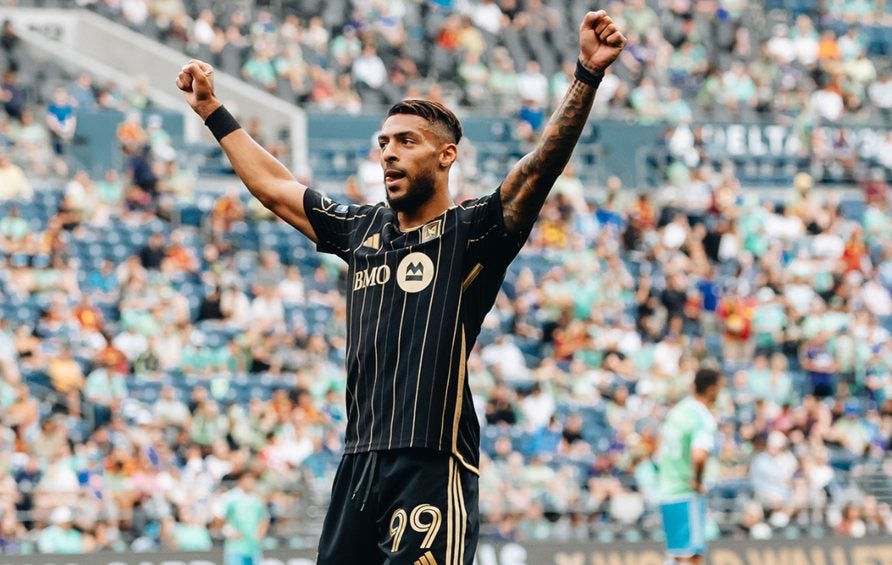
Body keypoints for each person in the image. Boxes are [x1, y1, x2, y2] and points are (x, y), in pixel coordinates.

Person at [176, 11, 624, 563]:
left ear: (446, 155)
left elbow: (539, 168)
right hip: (359, 462)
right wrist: (212, 113)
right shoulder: (360, 229)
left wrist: (585, 75)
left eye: (406, 141)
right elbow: (274, 187)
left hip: (431, 464)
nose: (388, 152)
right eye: (383, 142)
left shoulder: (471, 233)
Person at [655, 367, 723, 564]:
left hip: (667, 489)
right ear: (711, 389)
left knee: (677, 553)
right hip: (686, 491)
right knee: (691, 556)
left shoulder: (678, 411)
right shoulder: (701, 417)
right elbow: (699, 455)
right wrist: (697, 481)